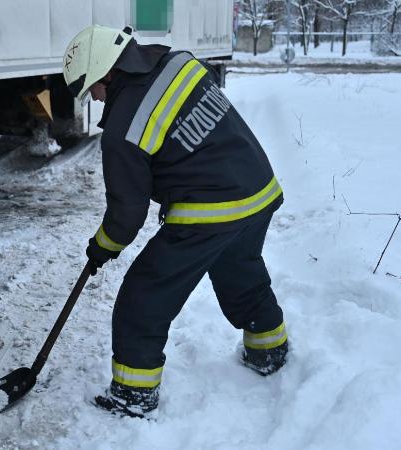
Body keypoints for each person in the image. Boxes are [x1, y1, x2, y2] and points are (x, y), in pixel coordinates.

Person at [62, 25, 289, 418]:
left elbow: (127, 212)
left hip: (210, 210)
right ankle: (269, 350)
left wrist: (102, 246)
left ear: (107, 72)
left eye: (91, 87)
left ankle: (133, 394)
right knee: (241, 274)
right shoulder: (177, 62)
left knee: (144, 297)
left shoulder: (123, 130)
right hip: (258, 189)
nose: (95, 98)